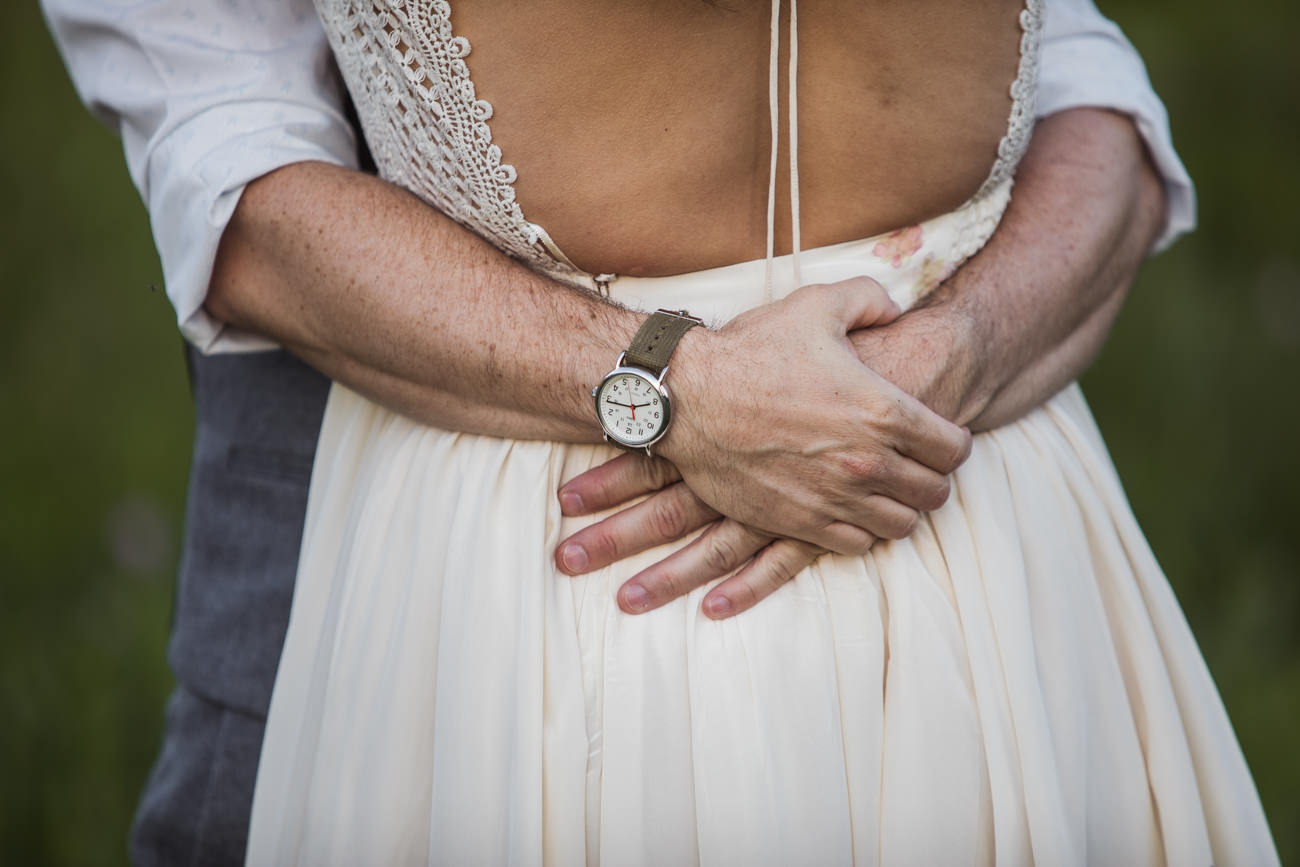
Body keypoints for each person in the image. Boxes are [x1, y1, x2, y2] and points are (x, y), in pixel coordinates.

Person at [39, 1, 1274, 865]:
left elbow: (1065, 61)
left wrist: (961, 347)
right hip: (543, 527)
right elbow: (232, 167)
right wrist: (677, 388)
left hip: (963, 484)